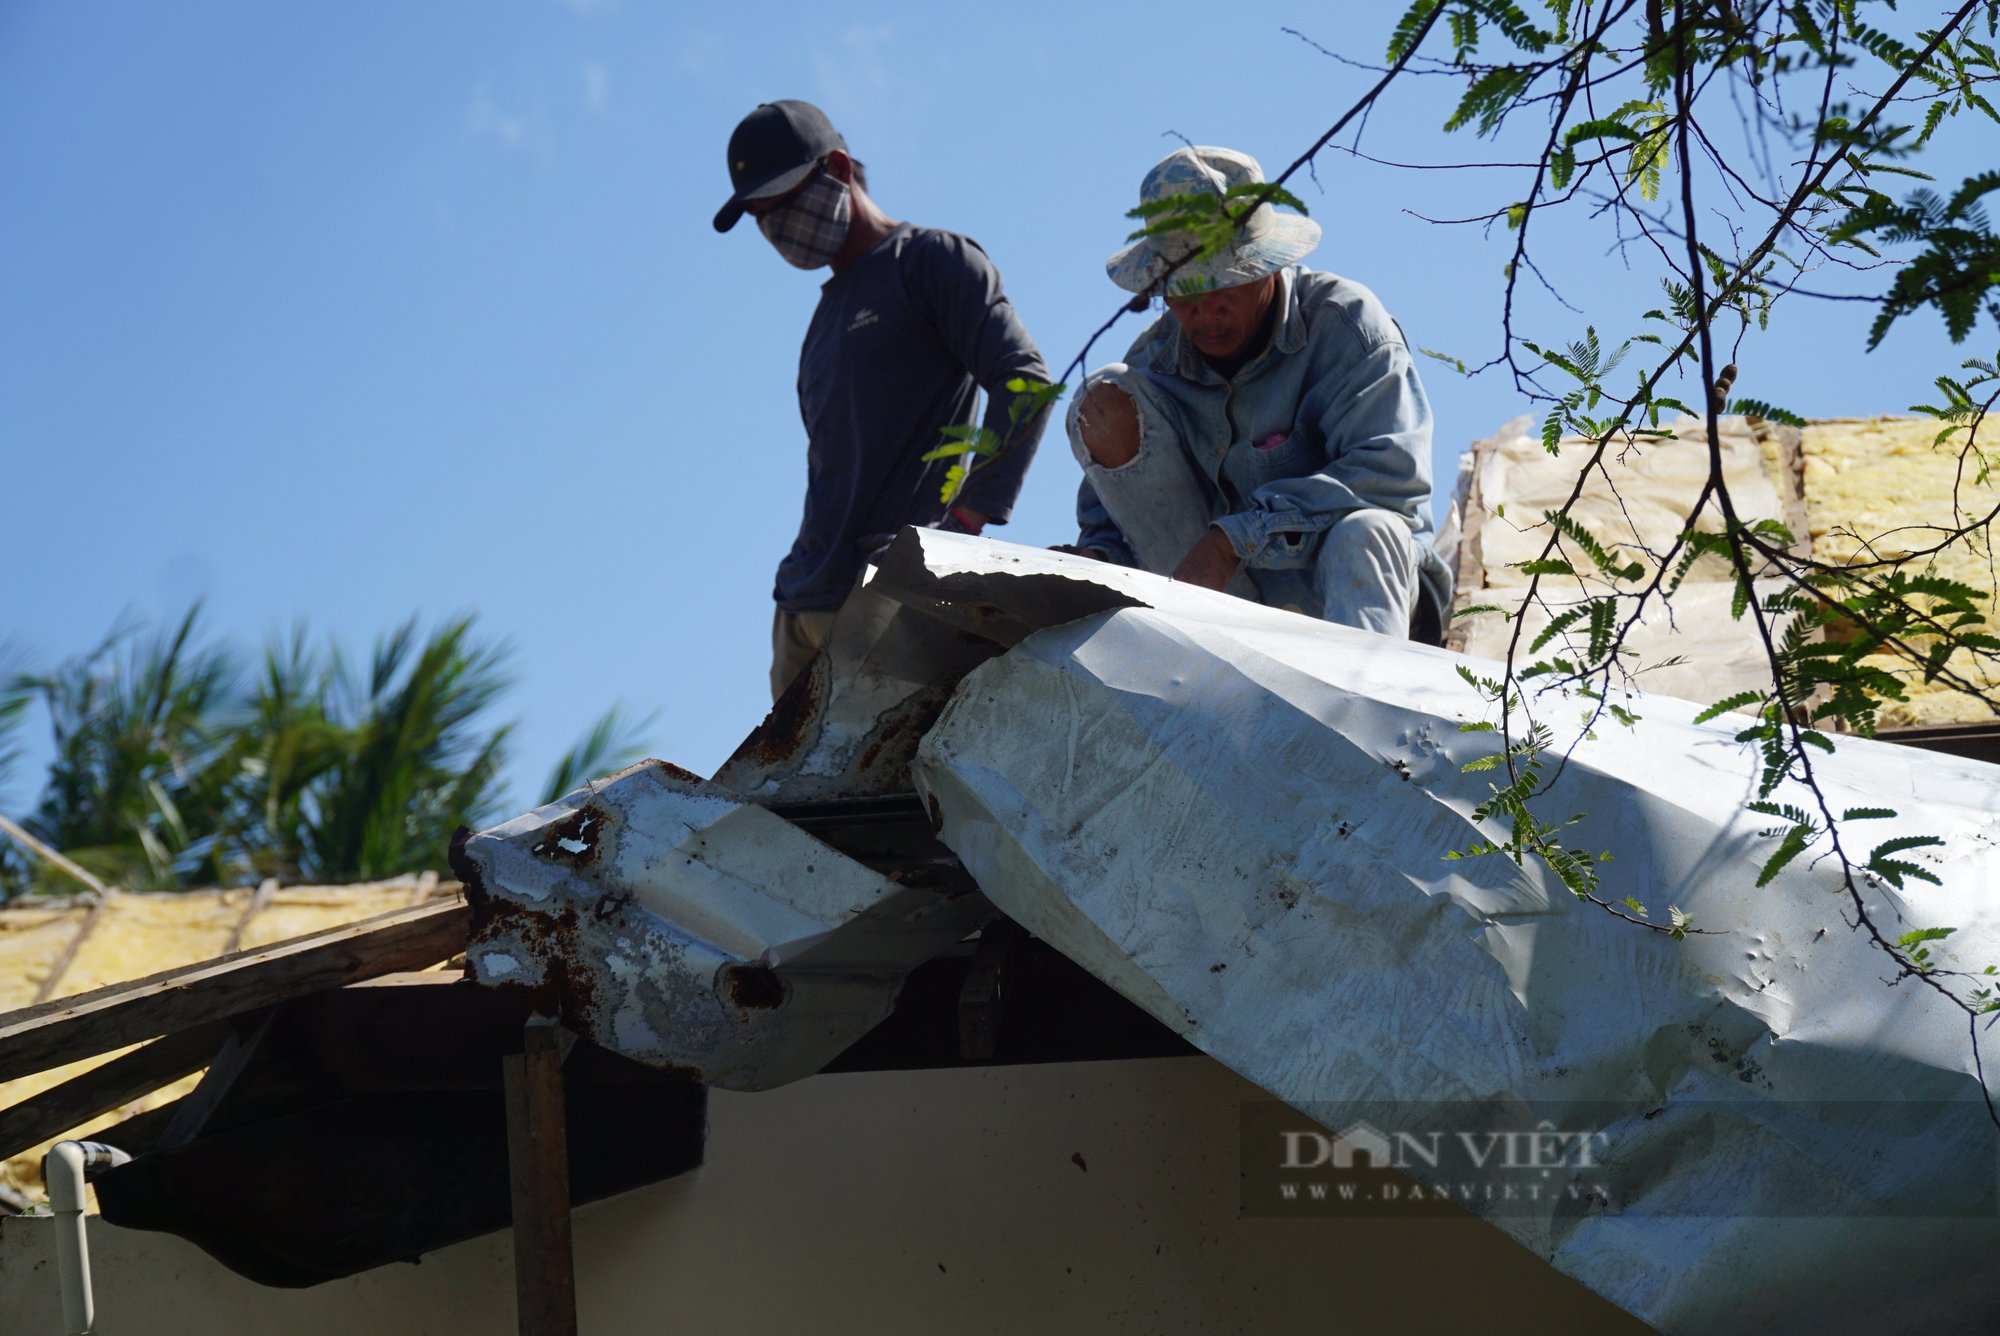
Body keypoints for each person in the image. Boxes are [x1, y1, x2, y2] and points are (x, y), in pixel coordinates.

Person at [714, 100, 1052, 698]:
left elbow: (1023, 379)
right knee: (787, 793)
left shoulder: (930, 260)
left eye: (785, 206)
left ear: (839, 168)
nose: (779, 229)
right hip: (801, 605)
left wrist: (965, 523)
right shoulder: (822, 322)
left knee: (895, 784)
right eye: (762, 219)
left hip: (888, 592)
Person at [1065, 146, 1451, 640]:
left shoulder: (1348, 328)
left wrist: (1233, 539)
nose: (1205, 313)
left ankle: (1365, 707)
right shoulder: (1152, 365)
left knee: (1367, 532)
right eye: (1186, 296)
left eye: (1223, 287)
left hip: (1346, 599)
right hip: (1219, 613)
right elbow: (1113, 525)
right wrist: (1096, 562)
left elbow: (1390, 474)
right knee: (1101, 404)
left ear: (1267, 268)